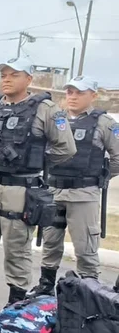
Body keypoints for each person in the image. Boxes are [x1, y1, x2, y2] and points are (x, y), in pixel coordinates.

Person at [0, 57, 76, 321]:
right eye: (3, 75)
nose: (6, 79)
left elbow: (66, 148)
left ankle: (15, 306)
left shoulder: (45, 109)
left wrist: (36, 162)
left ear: (29, 80)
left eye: (14, 74)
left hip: (21, 189)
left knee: (17, 249)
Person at [28, 76, 119, 295]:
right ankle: (46, 286)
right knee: (50, 243)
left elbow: (118, 158)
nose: (73, 97)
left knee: (85, 248)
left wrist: (99, 178)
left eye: (79, 92)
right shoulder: (57, 121)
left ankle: (89, 292)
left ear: (93, 95)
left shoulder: (105, 123)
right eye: (69, 92)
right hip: (53, 191)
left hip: (83, 194)